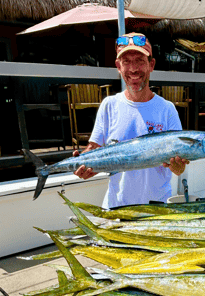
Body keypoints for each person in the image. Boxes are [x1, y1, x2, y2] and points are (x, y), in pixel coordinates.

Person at [73, 32, 189, 209]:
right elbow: (94, 148)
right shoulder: (109, 105)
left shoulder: (167, 109)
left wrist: (178, 168)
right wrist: (83, 162)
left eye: (140, 61)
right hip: (116, 208)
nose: (133, 69)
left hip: (157, 209)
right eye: (126, 62)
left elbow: (179, 167)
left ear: (151, 65)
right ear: (118, 67)